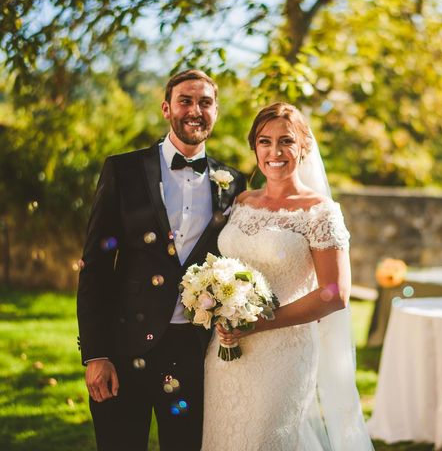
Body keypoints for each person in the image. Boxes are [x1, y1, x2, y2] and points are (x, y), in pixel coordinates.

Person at [77, 69, 246, 450]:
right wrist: (96, 354)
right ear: (166, 108)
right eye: (185, 100)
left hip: (193, 353)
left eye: (205, 102)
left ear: (216, 111)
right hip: (123, 349)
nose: (195, 110)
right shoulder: (123, 170)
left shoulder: (233, 183)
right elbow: (95, 267)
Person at [201, 102, 373, 450]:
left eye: (286, 141)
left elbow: (335, 293)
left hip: (285, 352)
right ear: (254, 147)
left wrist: (258, 323)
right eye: (265, 141)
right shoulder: (243, 201)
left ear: (303, 147)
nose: (274, 152)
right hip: (226, 348)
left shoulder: (319, 211)